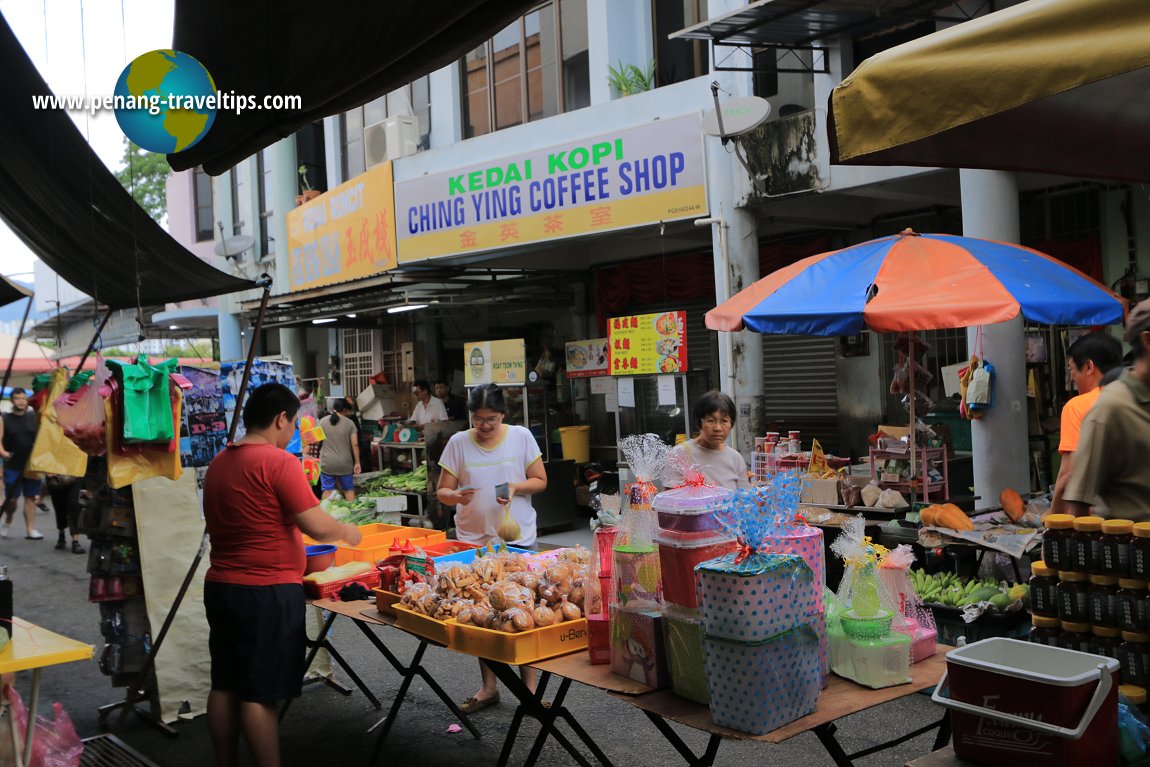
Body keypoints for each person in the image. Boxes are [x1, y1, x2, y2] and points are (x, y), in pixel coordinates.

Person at [201, 383, 362, 767]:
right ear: (281, 419)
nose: (292, 431)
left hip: (222, 586)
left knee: (225, 684)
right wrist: (347, 532)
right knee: (260, 694)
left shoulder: (220, 462)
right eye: (293, 423)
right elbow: (318, 527)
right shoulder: (277, 462)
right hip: (266, 592)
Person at [435, 383, 547, 712]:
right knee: (483, 614)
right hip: (474, 541)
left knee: (523, 610)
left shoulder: (521, 437)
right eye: (477, 419)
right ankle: (489, 688)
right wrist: (456, 497)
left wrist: (515, 486)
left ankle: (530, 690)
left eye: (491, 420)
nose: (484, 426)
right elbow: (443, 491)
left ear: (503, 415)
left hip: (517, 538)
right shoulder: (458, 443)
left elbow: (540, 480)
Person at [1064, 300, 1150, 521]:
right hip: (1132, 547)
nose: (1072, 376)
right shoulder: (1111, 408)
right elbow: (1077, 497)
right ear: (1148, 341)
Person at [1049, 332, 1123, 515]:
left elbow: (1069, 474)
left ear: (1089, 367)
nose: (1072, 377)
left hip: (1100, 520)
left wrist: (1053, 519)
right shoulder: (1134, 397)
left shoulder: (1077, 407)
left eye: (1071, 369)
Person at [663, 390, 750, 489]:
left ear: (731, 424)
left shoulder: (735, 459)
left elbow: (744, 500)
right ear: (699, 422)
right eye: (711, 420)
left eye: (724, 421)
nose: (718, 428)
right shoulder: (680, 455)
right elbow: (668, 500)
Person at [0, 388, 45, 540]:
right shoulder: (4, 418)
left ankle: (30, 529)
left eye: (23, 398)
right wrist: (3, 453)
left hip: (31, 464)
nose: (21, 401)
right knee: (11, 500)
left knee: (30, 497)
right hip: (12, 464)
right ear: (12, 401)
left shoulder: (33, 417)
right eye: (17, 398)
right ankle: (8, 519)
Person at [318, 399, 361, 500]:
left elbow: (316, 440)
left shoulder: (322, 421)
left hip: (327, 462)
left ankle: (324, 514)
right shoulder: (350, 423)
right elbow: (355, 444)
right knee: (348, 490)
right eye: (349, 411)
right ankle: (353, 514)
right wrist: (357, 462)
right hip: (345, 463)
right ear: (345, 409)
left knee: (327, 490)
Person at [45, 474, 84, 553]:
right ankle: (61, 533)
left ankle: (75, 541)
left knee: (74, 505)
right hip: (56, 473)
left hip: (76, 472)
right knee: (59, 506)